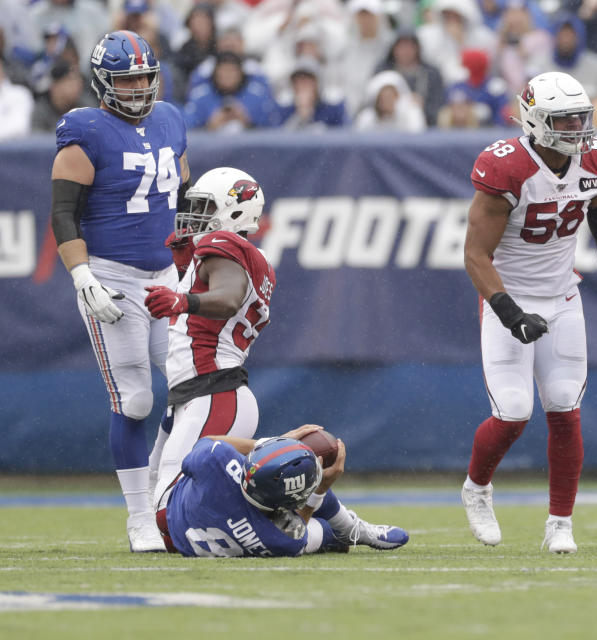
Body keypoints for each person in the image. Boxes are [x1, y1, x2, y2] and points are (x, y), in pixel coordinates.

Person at [461, 71, 597, 554]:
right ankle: (477, 488)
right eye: (566, 119)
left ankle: (560, 522)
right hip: (509, 296)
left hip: (562, 298)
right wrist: (509, 312)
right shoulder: (508, 167)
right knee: (515, 412)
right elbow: (475, 255)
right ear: (537, 121)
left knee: (564, 405)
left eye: (582, 116)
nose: (579, 127)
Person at [50, 30, 190, 552]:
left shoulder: (172, 119)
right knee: (134, 399)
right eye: (126, 78)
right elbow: (63, 212)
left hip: (165, 277)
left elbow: (180, 195)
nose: (137, 87)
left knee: (189, 389)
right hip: (112, 275)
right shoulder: (86, 129)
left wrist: (189, 260)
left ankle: (155, 491)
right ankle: (138, 518)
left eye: (144, 77)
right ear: (103, 82)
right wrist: (82, 276)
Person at [144, 166, 275, 514]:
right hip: (199, 393)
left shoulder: (226, 242)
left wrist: (182, 299)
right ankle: (282, 467)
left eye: (205, 207)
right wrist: (189, 271)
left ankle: (309, 514)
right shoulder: (247, 256)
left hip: (214, 393)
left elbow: (229, 298)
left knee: (166, 510)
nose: (194, 216)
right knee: (155, 496)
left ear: (234, 212)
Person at [157, 424, 409, 557]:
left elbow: (205, 445)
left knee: (293, 474)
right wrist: (320, 487)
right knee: (320, 526)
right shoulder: (281, 540)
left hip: (173, 523)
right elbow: (298, 525)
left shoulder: (216, 462)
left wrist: (272, 446)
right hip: (223, 531)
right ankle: (351, 530)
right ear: (282, 508)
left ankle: (349, 530)